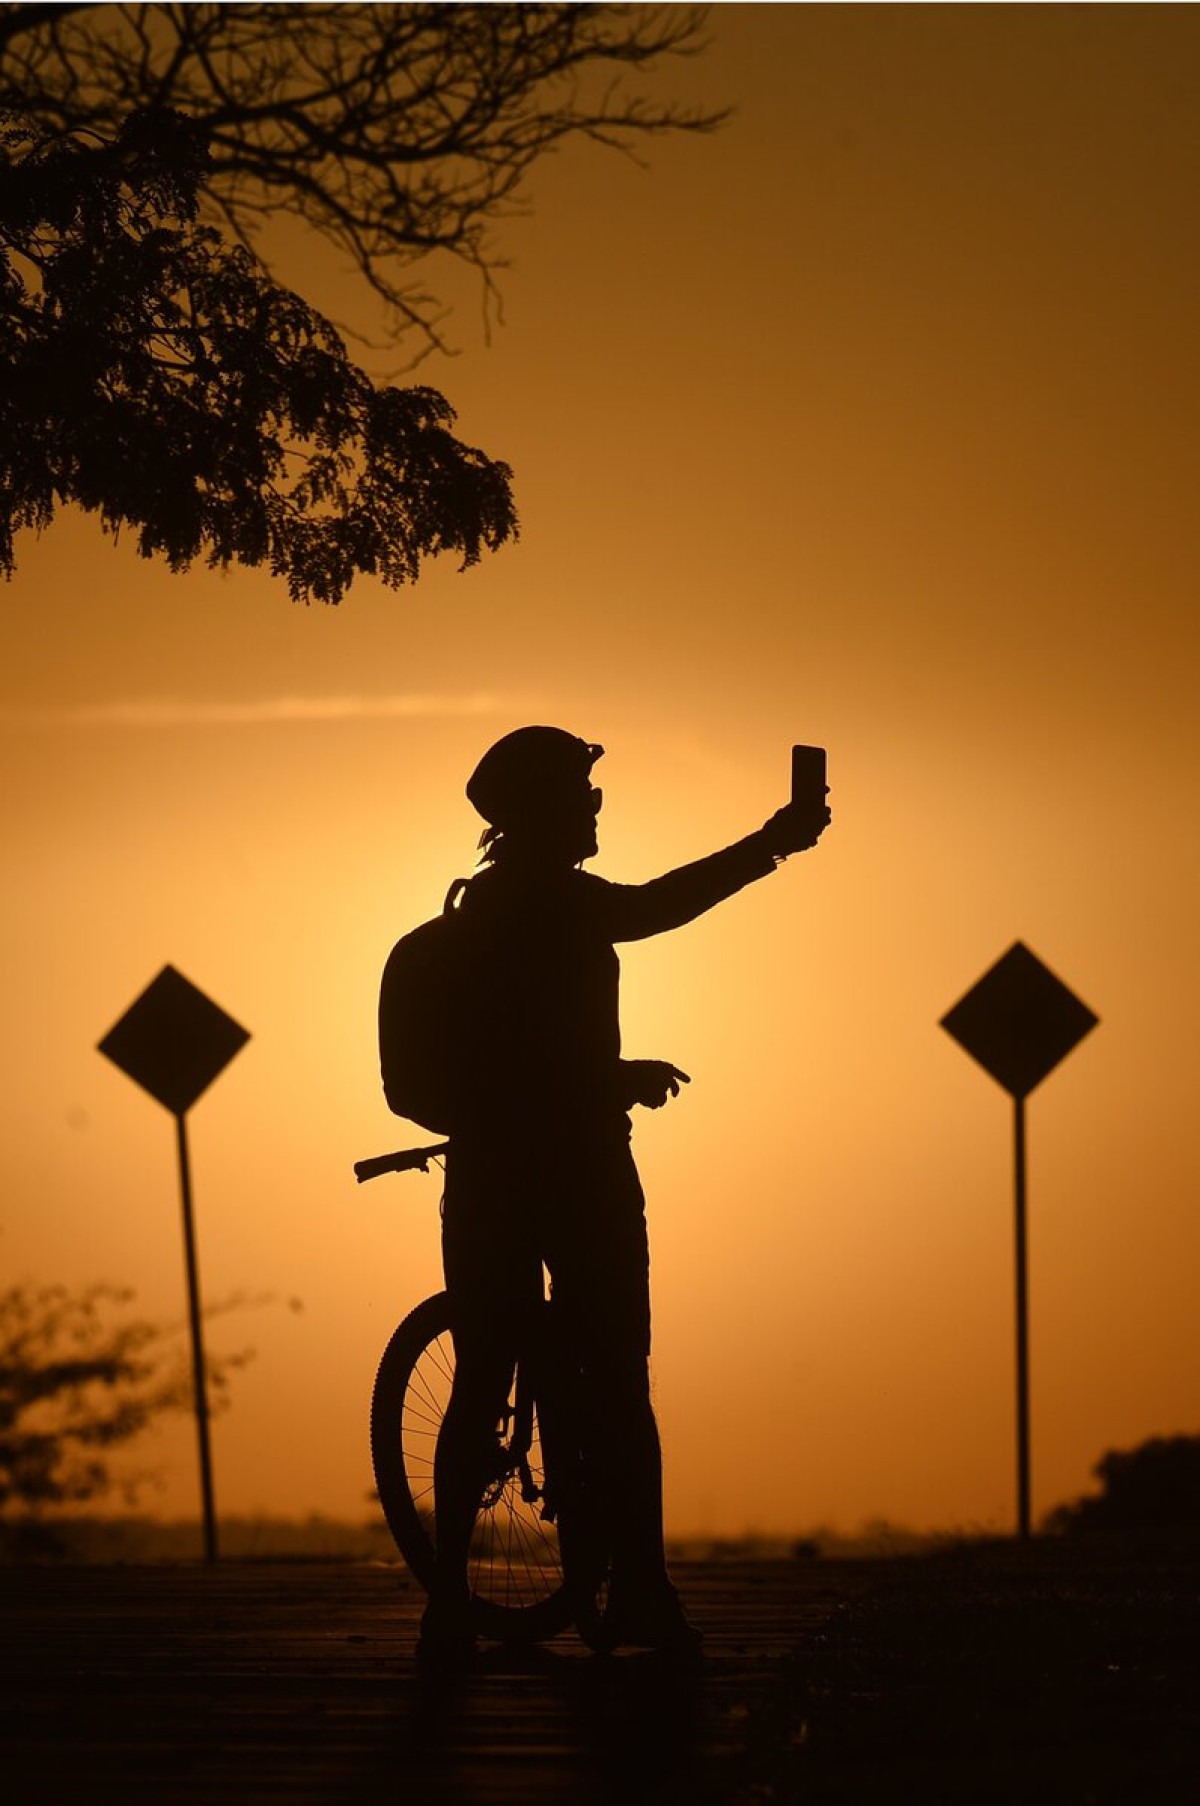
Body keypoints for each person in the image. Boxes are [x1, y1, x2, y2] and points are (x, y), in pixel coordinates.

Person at [415, 726, 830, 1662]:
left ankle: (447, 1607)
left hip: (487, 1173)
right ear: (538, 810)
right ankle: (640, 1588)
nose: (595, 808)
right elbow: (653, 911)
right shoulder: (549, 903)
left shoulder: (484, 908)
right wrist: (770, 843)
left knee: (481, 1375)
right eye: (580, 793)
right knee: (620, 1381)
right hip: (575, 1171)